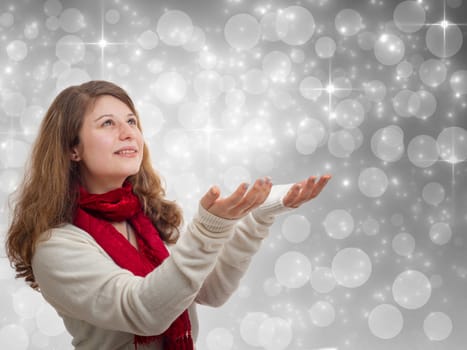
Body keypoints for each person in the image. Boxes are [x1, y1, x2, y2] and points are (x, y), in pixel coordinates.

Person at [5, 80, 331, 350]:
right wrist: (209, 230)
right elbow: (144, 311)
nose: (128, 132)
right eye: (108, 123)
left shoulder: (145, 219)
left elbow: (209, 290)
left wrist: (257, 217)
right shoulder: (55, 245)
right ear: (71, 149)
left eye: (132, 121)